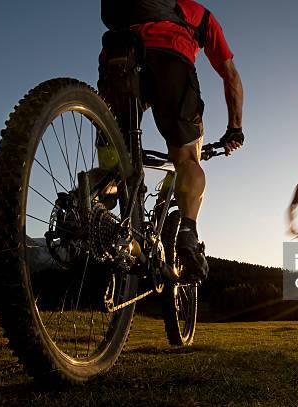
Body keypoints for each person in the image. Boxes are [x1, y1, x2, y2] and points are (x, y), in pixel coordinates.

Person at [98, 0, 244, 282]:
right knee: (188, 159)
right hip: (171, 58)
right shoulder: (198, 13)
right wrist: (234, 128)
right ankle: (188, 233)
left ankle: (83, 209)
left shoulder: (129, 11)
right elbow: (231, 76)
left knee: (111, 170)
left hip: (117, 59)